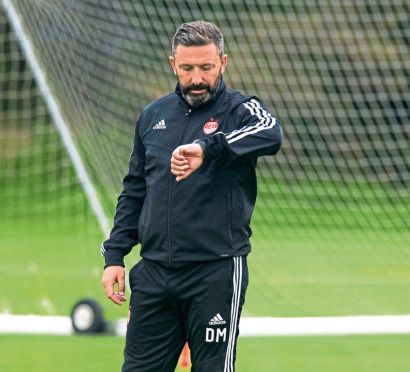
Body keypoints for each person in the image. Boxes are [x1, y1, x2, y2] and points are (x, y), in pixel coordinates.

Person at [101, 20, 283, 372]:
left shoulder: (241, 111)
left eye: (206, 68)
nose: (197, 78)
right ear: (173, 65)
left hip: (213, 273)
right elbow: (135, 192)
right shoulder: (152, 116)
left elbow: (271, 132)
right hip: (153, 273)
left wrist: (208, 148)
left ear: (223, 63)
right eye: (187, 68)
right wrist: (114, 255)